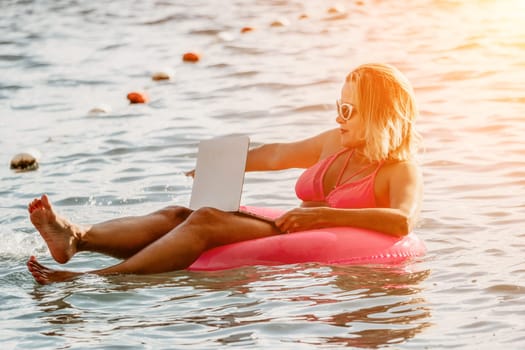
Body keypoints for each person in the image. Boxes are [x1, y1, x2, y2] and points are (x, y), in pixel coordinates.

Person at [27, 63, 423, 284]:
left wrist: (322, 215)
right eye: (339, 105)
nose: (338, 117)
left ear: (378, 115)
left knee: (206, 222)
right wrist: (225, 163)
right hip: (297, 226)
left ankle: (97, 277)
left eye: (348, 111)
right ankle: (77, 238)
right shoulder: (334, 143)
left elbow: (402, 221)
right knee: (177, 214)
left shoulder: (399, 169)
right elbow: (278, 154)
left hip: (314, 230)